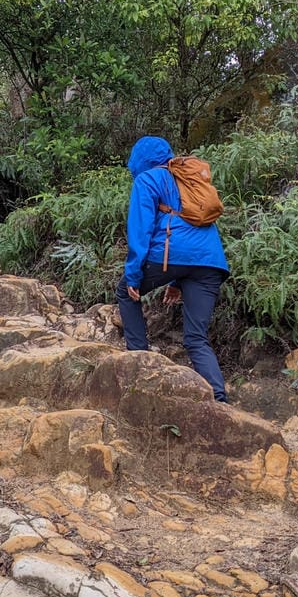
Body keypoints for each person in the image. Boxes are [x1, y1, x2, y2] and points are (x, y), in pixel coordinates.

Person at [115, 135, 230, 402]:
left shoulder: (148, 179)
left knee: (125, 292)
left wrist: (133, 274)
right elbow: (193, 228)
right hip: (210, 262)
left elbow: (140, 230)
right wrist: (177, 283)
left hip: (168, 256)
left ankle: (138, 362)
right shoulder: (190, 179)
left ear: (138, 160)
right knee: (196, 338)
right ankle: (219, 400)